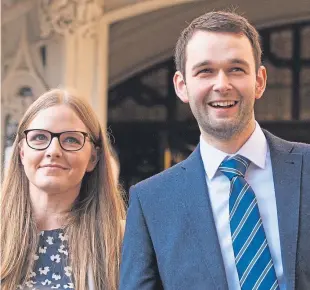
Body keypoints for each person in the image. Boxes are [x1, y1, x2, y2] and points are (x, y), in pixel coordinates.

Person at [120, 11, 310, 290]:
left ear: (259, 81)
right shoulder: (151, 203)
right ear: (182, 86)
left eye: (236, 69)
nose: (222, 85)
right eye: (205, 71)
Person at [1, 89, 125, 290]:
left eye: (71, 140)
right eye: (39, 137)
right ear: (22, 152)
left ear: (93, 158)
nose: (53, 151)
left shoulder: (121, 241)